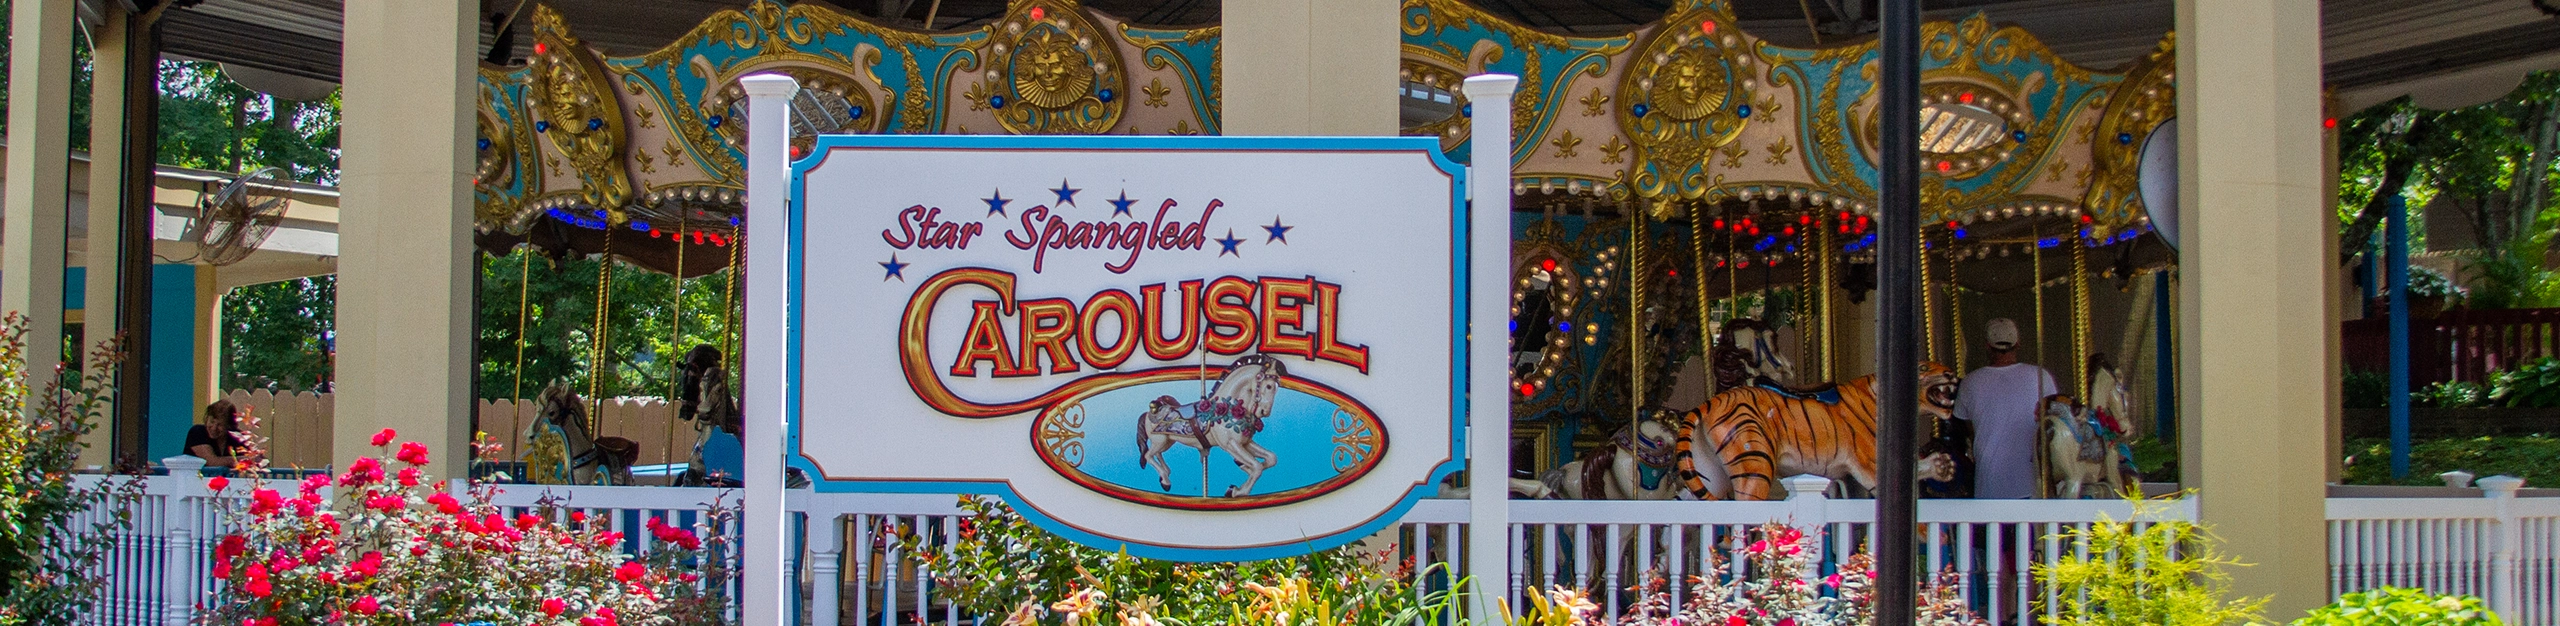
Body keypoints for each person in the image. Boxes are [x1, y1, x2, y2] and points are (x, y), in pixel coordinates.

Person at [1956, 317, 2056, 499]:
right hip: (2031, 481)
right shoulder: (2040, 377)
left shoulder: (1970, 382)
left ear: (1987, 345)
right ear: (2017, 343)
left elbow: (1967, 427)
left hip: (1988, 482)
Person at [184, 400, 258, 468]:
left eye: (220, 425)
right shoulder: (197, 432)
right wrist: (242, 459)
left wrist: (253, 459)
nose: (214, 428)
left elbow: (257, 460)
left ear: (229, 426)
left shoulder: (237, 436)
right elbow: (212, 462)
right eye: (212, 422)